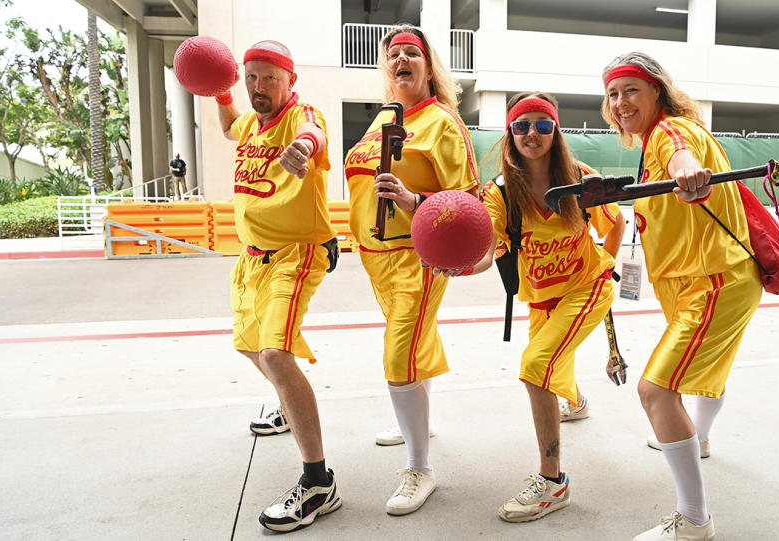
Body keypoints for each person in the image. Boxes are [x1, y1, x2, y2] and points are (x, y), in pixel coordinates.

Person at [436, 92, 625, 522]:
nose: (532, 134)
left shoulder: (581, 179)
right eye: (522, 125)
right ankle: (575, 403)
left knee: (536, 366)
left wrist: (607, 266)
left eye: (543, 124)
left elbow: (616, 222)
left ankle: (553, 482)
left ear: (556, 131)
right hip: (540, 299)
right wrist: (458, 264)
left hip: (586, 287)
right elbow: (485, 252)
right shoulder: (500, 193)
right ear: (510, 132)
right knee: (554, 360)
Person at [601, 52, 763, 540]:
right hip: (706, 279)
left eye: (632, 90)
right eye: (612, 94)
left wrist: (689, 174)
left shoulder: (671, 133)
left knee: (655, 391)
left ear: (657, 93)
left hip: (712, 281)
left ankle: (694, 522)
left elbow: (682, 157)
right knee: (702, 369)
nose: (621, 102)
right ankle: (702, 437)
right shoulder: (661, 136)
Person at [343, 25, 480, 516]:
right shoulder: (385, 117)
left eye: (411, 54)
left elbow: (468, 201)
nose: (400, 59)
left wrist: (414, 200)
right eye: (393, 54)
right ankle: (418, 422)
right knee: (411, 342)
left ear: (428, 67)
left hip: (416, 256)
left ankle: (419, 466)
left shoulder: (443, 123)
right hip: (373, 257)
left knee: (399, 354)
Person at [216, 40, 342, 532]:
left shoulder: (302, 115)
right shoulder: (249, 121)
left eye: (270, 78)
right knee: (248, 346)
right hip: (252, 258)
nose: (259, 87)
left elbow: (315, 133)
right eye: (252, 77)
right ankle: (291, 407)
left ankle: (318, 483)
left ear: (290, 81)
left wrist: (304, 147)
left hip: (297, 252)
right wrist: (218, 90)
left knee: (275, 354)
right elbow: (229, 127)